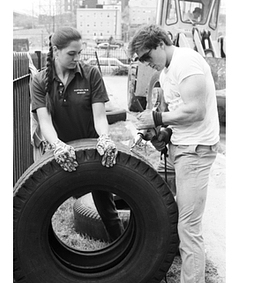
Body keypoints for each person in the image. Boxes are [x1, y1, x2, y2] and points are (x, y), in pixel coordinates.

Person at [128, 24, 220, 283]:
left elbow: (196, 110)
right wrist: (162, 131)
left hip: (196, 151)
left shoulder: (186, 61)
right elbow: (179, 115)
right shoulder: (167, 71)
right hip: (182, 147)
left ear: (159, 44)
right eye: (141, 60)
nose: (146, 63)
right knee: (174, 216)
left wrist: (155, 117)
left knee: (188, 228)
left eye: (147, 56)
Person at [30, 26, 124, 242]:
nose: (77, 58)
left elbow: (100, 116)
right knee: (40, 204)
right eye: (71, 54)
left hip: (92, 150)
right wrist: (57, 145)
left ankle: (121, 248)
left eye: (79, 53)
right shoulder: (40, 80)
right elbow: (44, 121)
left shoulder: (90, 74)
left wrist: (104, 138)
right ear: (55, 50)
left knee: (106, 208)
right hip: (61, 149)